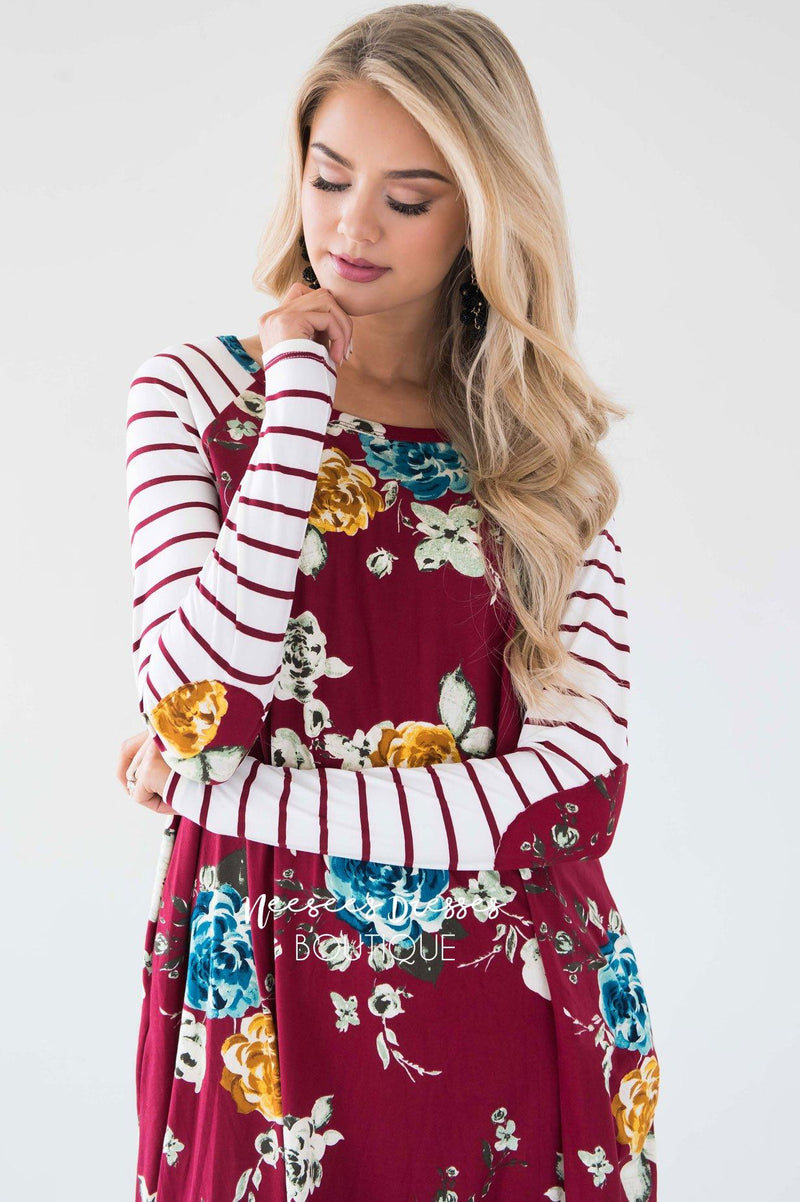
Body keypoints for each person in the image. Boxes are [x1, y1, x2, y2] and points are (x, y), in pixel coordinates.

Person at [118, 5, 660, 1200]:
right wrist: (297, 396)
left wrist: (241, 797)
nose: (350, 229)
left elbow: (571, 797)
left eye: (408, 199)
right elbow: (198, 707)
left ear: (482, 213)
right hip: (263, 996)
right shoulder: (195, 397)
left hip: (517, 999)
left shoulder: (540, 453)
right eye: (328, 178)